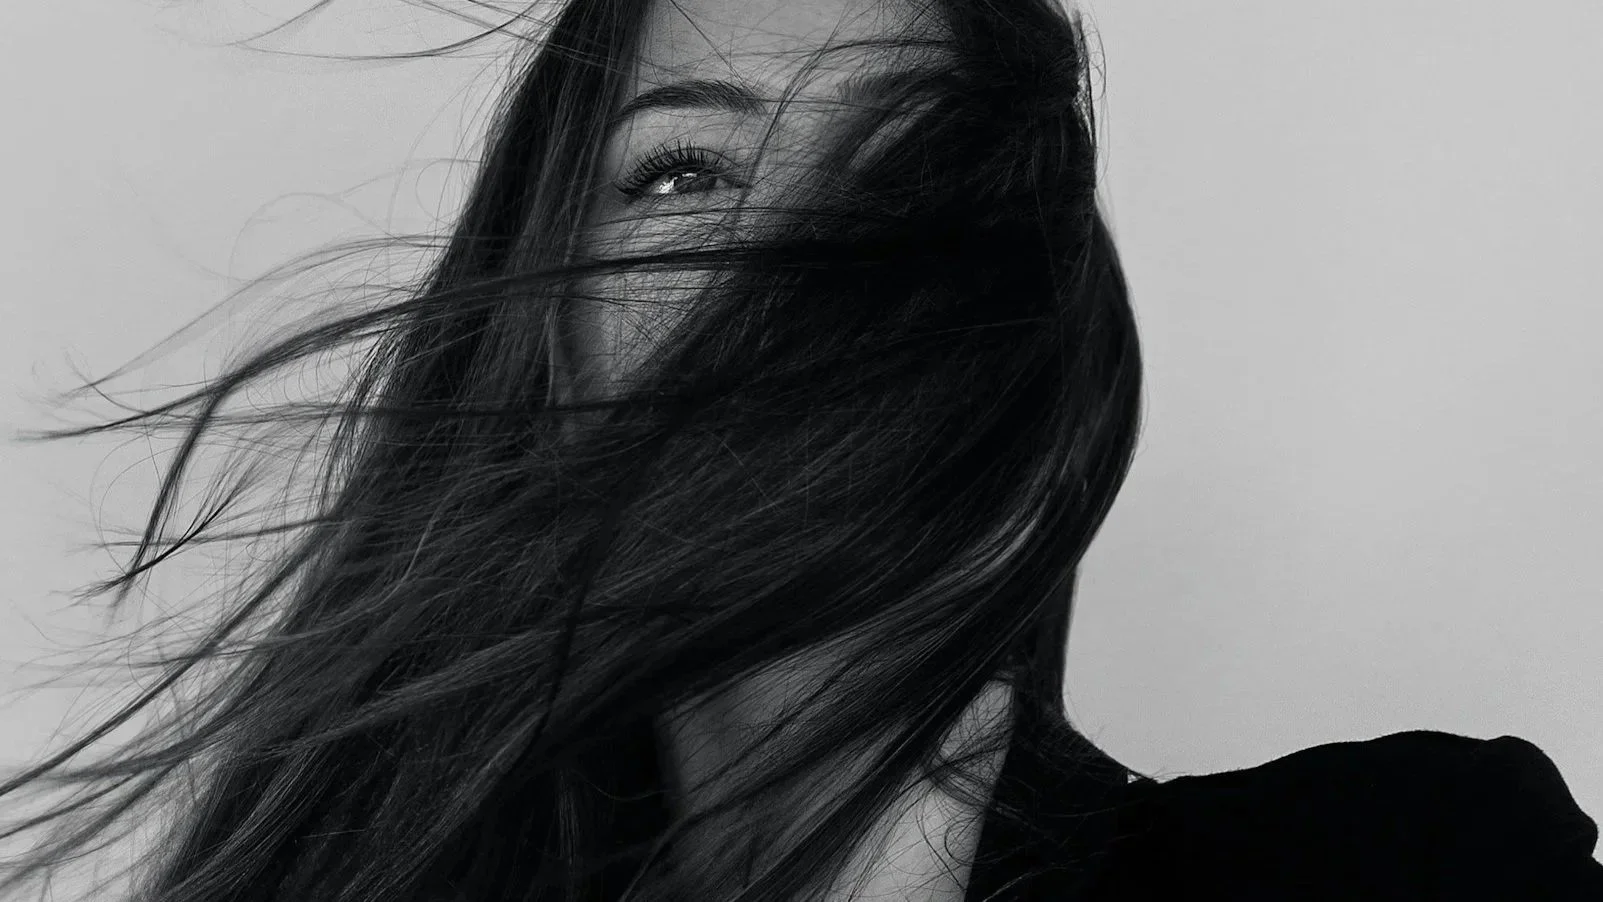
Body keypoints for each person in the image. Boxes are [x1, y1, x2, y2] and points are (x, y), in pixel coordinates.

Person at [1, 0, 1597, 900]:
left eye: (903, 175)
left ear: (1030, 330)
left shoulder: (1410, 876)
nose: (796, 255)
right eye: (683, 174)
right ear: (539, 343)